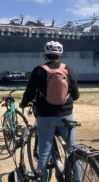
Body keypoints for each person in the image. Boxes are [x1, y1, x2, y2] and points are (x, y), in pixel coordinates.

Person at [19, 41, 80, 182]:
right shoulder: (68, 70)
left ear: (44, 54)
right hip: (66, 115)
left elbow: (29, 93)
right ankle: (77, 179)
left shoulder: (38, 70)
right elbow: (76, 95)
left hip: (45, 116)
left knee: (44, 153)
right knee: (72, 151)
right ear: (60, 54)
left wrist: (23, 103)